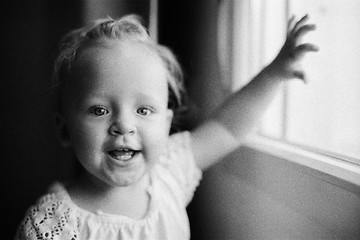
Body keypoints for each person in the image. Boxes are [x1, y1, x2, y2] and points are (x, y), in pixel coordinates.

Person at [14, 13, 318, 240]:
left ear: (167, 124)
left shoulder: (170, 172)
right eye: (100, 110)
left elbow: (228, 128)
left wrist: (275, 73)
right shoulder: (52, 226)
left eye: (144, 110)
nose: (123, 125)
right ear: (65, 129)